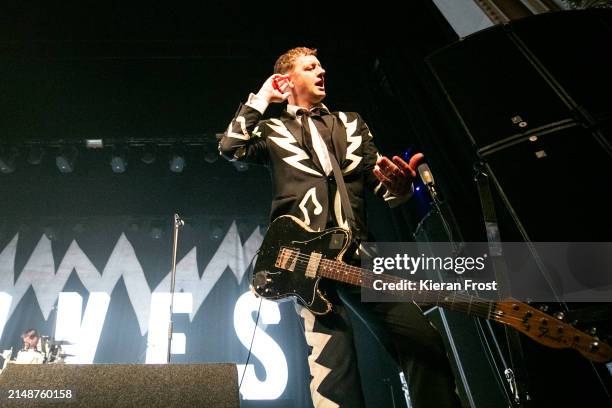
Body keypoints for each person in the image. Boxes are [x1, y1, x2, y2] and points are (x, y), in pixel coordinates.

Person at [219, 47, 460, 408]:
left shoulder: (351, 123)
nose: (322, 70)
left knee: (421, 340)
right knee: (334, 366)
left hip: (360, 252)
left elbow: (379, 181)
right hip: (305, 260)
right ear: (289, 79)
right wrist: (264, 96)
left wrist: (399, 186)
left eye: (321, 65)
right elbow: (231, 146)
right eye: (310, 66)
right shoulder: (273, 128)